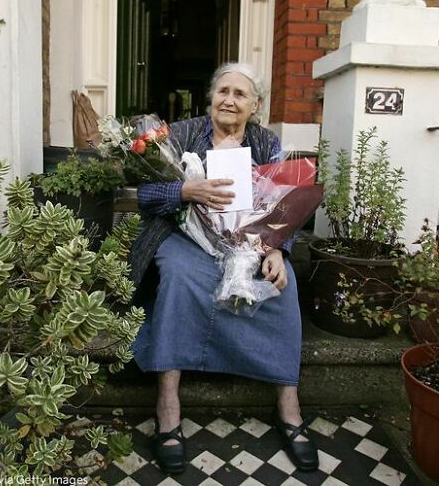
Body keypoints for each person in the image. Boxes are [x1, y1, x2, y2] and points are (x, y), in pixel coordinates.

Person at [129, 62, 318, 475]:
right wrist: (184, 190)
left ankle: (288, 405)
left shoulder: (266, 141)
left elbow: (283, 204)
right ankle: (168, 405)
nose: (229, 100)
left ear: (255, 105)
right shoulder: (178, 135)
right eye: (222, 91)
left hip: (246, 244)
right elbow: (144, 194)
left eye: (240, 94)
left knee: (282, 288)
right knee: (178, 277)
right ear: (211, 97)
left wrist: (276, 250)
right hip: (182, 238)